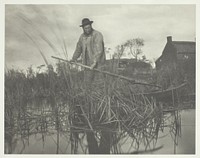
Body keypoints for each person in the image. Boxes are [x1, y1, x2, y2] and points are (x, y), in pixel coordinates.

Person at [71, 18, 106, 83]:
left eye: (89, 27)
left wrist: (94, 62)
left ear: (91, 26)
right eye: (85, 28)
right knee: (87, 83)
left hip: (98, 64)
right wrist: (74, 58)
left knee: (99, 83)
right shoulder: (82, 37)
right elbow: (78, 48)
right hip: (87, 65)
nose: (87, 30)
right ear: (83, 28)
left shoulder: (97, 34)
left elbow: (99, 50)